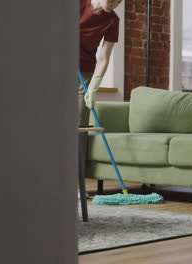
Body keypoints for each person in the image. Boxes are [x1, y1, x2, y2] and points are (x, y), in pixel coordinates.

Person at [78, 0, 122, 197]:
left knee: (79, 128)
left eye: (119, 1)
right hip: (58, 63)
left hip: (85, 72)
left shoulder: (112, 20)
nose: (115, 4)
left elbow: (104, 56)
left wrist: (94, 87)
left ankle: (77, 185)